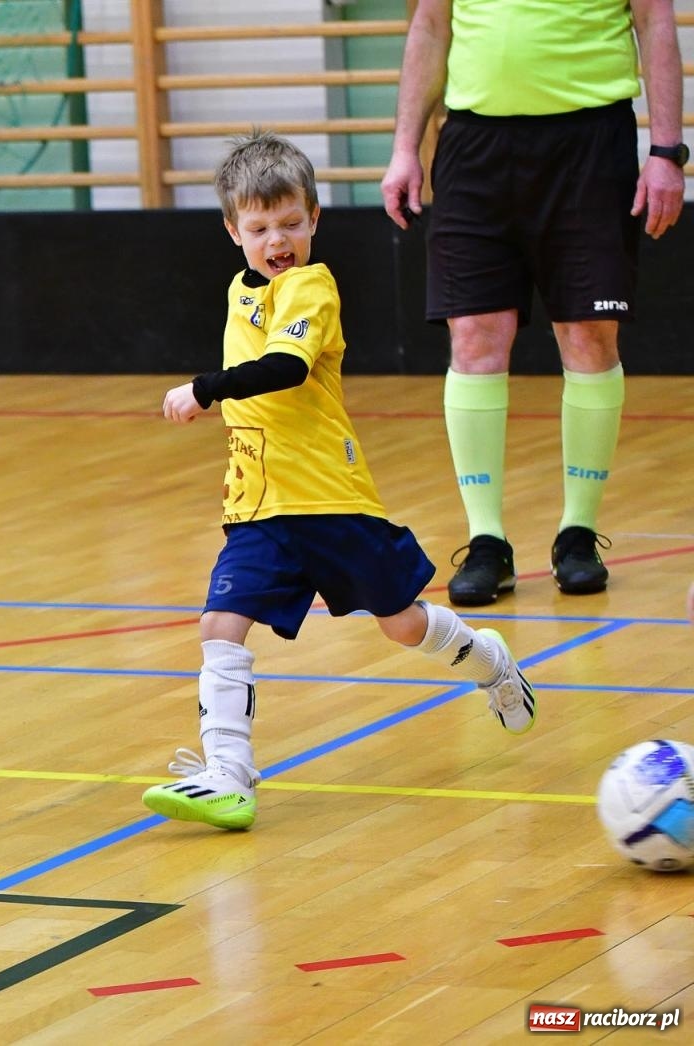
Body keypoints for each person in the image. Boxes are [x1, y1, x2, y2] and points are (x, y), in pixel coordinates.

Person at [141, 131, 534, 831]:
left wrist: (204, 389)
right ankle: (229, 775)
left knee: (402, 624)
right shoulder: (241, 290)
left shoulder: (312, 289)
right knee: (220, 624)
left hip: (331, 499)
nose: (278, 239)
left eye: (291, 222)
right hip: (259, 506)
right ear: (233, 231)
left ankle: (491, 662)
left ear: (315, 219)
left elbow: (286, 370)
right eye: (259, 228)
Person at [380, 0, 685, 606]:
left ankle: (577, 533)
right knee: (473, 337)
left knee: (590, 334)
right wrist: (404, 148)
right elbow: (431, 25)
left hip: (591, 141)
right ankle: (486, 540)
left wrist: (667, 151)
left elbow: (655, 21)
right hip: (474, 145)